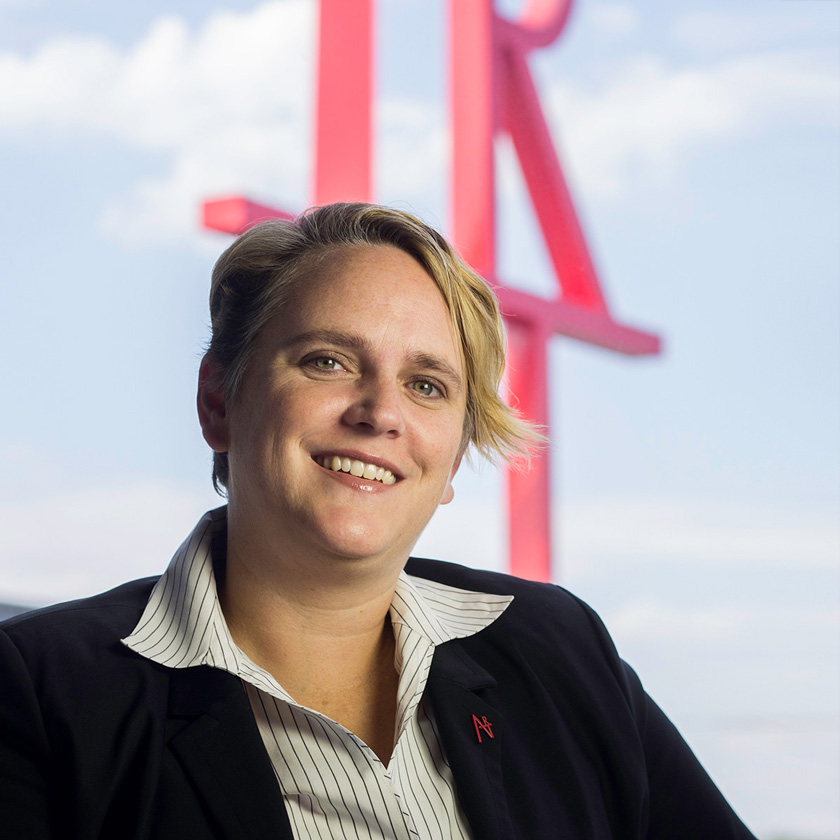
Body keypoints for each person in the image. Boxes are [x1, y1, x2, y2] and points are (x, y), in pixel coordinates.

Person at [0, 203, 757, 839]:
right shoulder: (38, 693)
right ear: (219, 402)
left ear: (454, 459)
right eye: (327, 361)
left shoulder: (561, 651)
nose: (381, 414)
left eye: (427, 385)